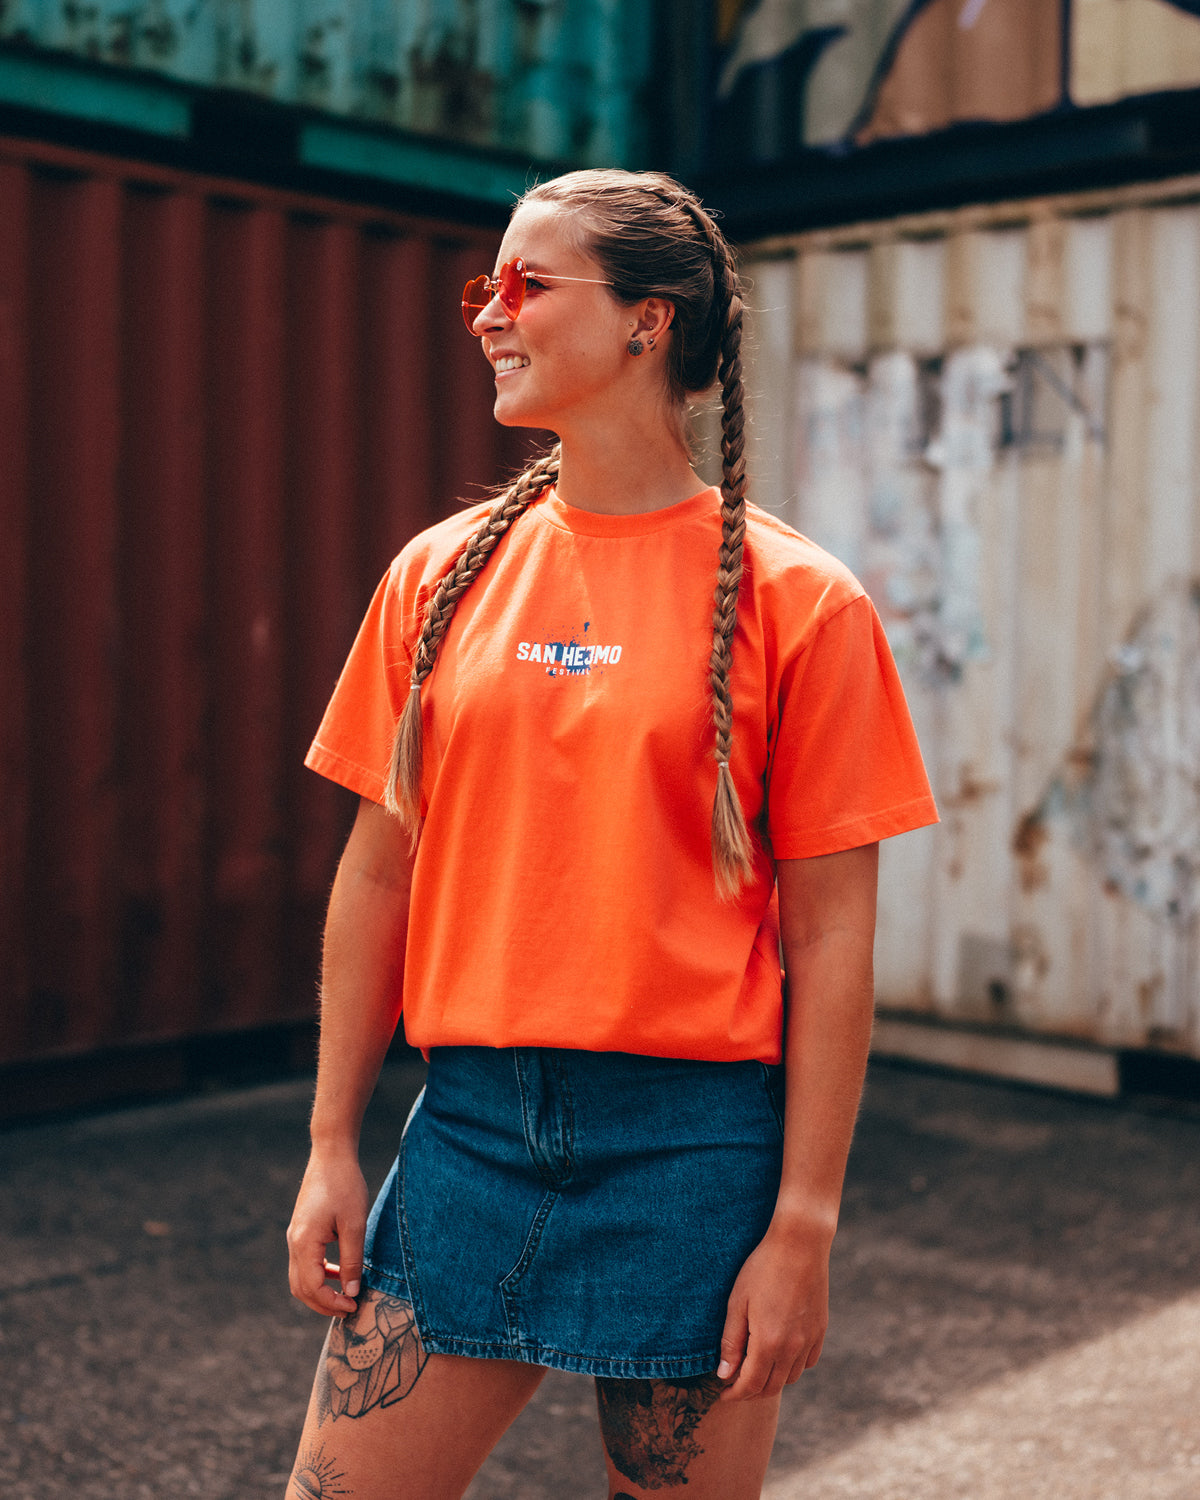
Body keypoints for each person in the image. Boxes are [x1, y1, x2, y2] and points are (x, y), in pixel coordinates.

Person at [284, 168, 938, 1500]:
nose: (488, 312)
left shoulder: (804, 604)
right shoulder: (437, 574)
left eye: (526, 283)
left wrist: (804, 1226)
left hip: (694, 1156)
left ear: (649, 319)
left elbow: (831, 937)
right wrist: (331, 1142)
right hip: (467, 1135)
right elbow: (378, 874)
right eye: (485, 286)